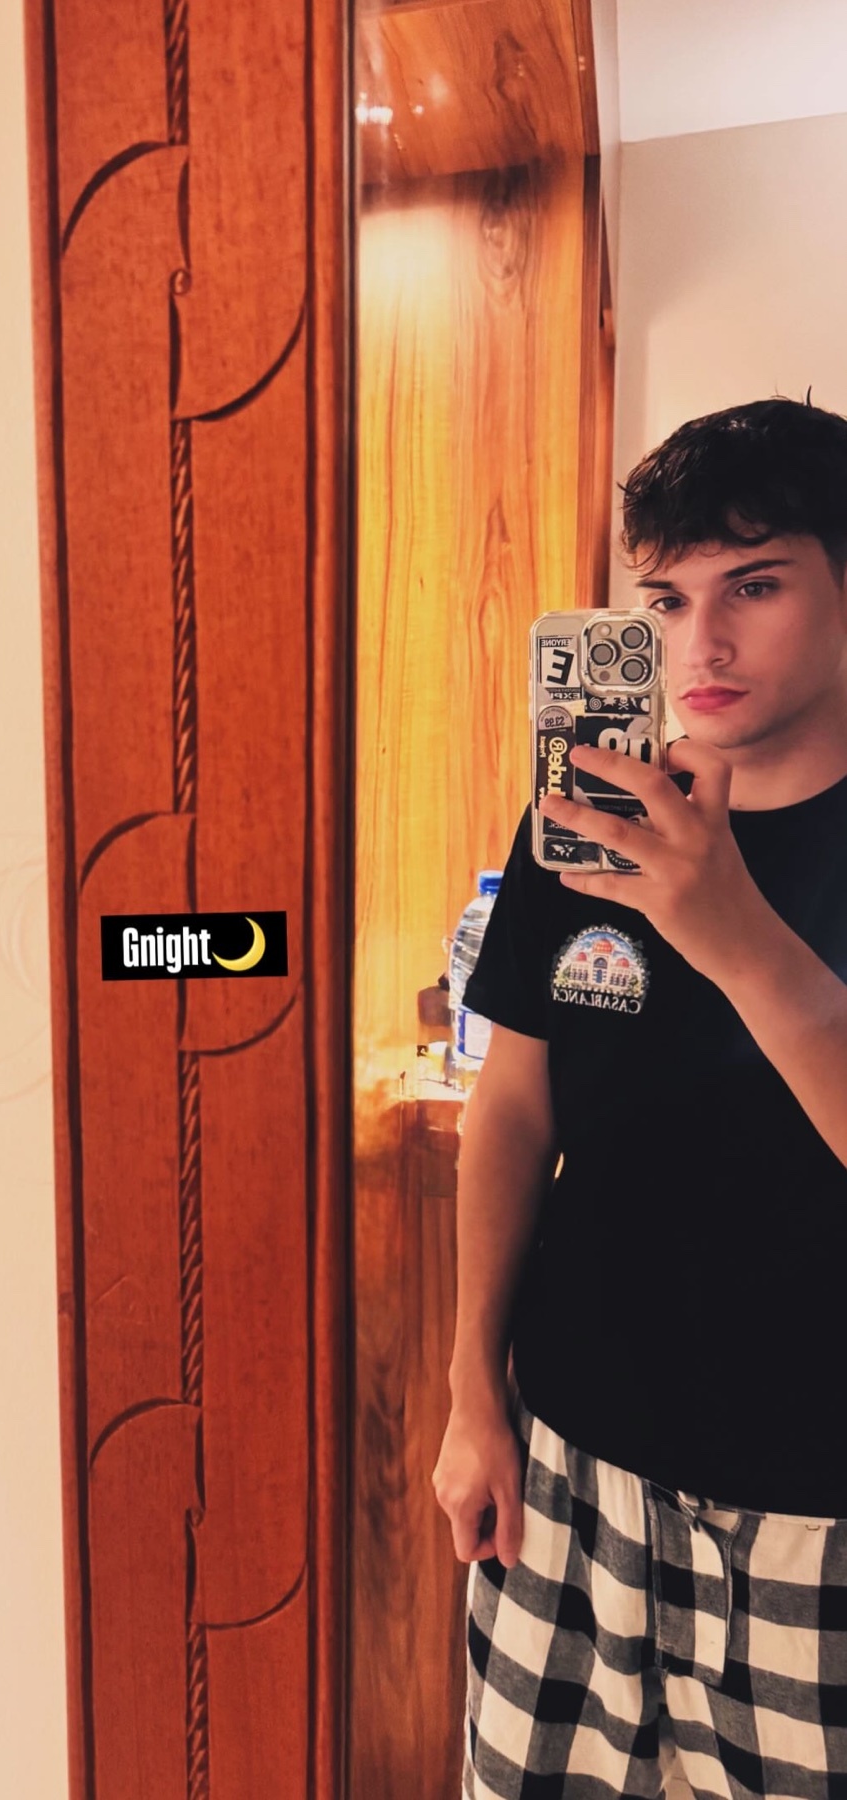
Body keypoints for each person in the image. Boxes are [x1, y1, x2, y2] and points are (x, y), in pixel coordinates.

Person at [432, 395, 847, 1800]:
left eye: (754, 586)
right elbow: (512, 1108)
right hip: (570, 1465)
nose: (698, 646)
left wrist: (738, 938)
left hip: (814, 1516)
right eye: (666, 600)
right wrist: (471, 1395)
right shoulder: (585, 818)